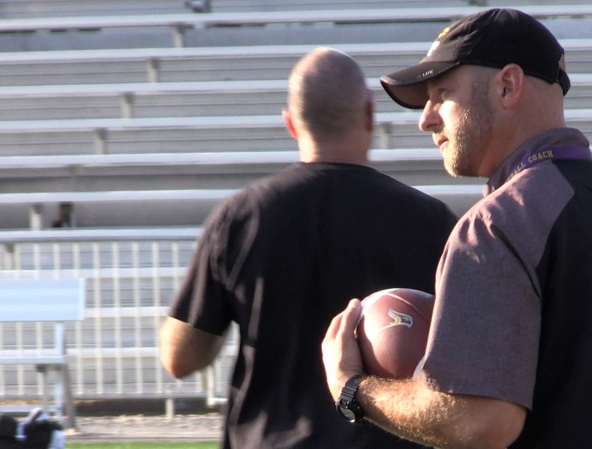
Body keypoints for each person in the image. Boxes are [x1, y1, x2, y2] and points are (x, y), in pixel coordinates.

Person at [321, 9, 592, 449]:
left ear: (507, 86)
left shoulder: (497, 224)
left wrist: (354, 389)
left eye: (442, 93)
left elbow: (480, 422)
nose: (427, 118)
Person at [160, 47, 458, 449]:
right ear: (369, 114)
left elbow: (180, 359)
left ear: (291, 124)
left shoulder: (242, 217)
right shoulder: (433, 219)